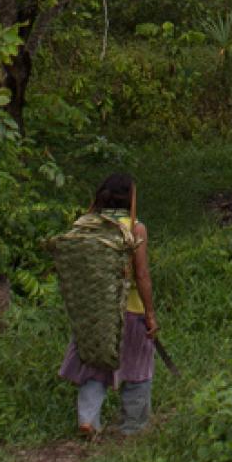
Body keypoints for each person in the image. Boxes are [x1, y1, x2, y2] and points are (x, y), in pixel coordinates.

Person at [58, 171, 158, 437]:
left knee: (94, 365)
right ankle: (132, 427)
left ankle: (88, 420)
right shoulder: (135, 227)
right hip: (131, 309)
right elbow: (142, 274)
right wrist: (150, 313)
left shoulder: (86, 223)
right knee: (138, 368)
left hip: (95, 311)